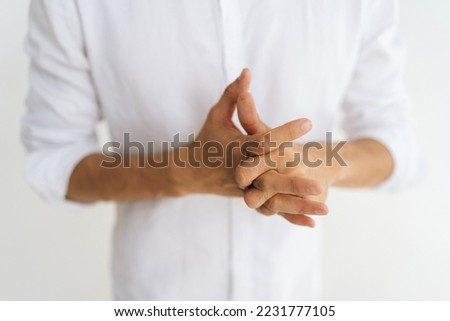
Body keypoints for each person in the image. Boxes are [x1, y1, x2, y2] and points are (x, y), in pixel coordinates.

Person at [22, 0, 422, 300]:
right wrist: (183, 171)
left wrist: (321, 164)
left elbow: (396, 143)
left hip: (293, 296)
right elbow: (54, 161)